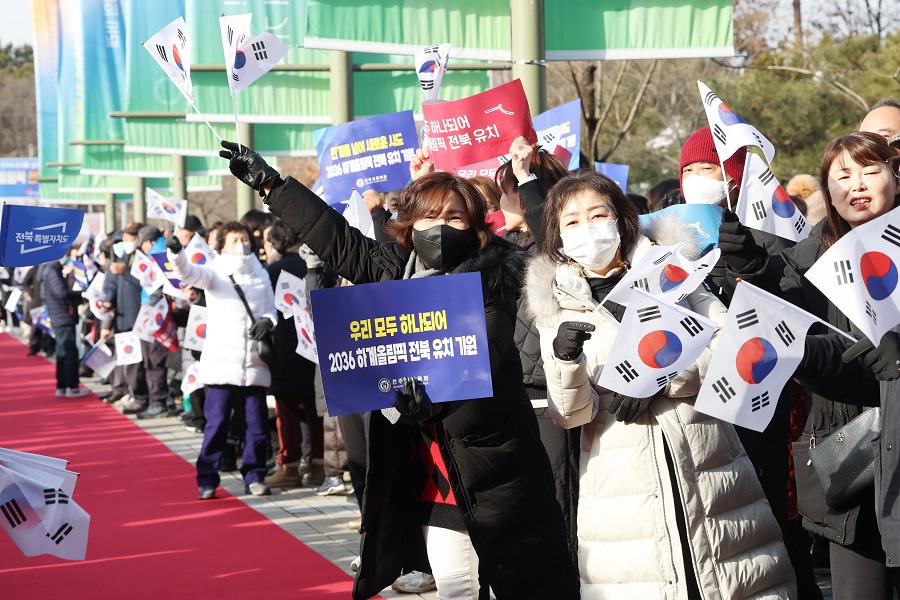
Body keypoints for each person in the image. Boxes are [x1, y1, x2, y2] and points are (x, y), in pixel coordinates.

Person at [218, 139, 580, 600]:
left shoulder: (498, 274)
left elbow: (481, 352)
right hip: (426, 466)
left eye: (455, 218)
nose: (441, 227)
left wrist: (436, 392)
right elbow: (335, 237)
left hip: (492, 462)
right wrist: (273, 184)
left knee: (521, 583)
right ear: (410, 226)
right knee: (454, 585)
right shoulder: (391, 268)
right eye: (430, 217)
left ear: (474, 226)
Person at [524, 169, 796, 598]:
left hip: (712, 475)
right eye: (572, 221)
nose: (588, 229)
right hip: (622, 497)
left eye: (598, 214)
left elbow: (733, 351)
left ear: (621, 219)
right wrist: (565, 359)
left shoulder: (673, 274)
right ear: (556, 235)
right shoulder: (554, 304)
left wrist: (661, 376)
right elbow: (570, 413)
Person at [785, 131, 900, 599]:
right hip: (848, 471)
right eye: (842, 175)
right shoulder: (814, 255)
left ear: (896, 177)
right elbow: (829, 357)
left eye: (871, 171)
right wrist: (752, 270)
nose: (858, 184)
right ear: (826, 191)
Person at [165, 221, 277, 500]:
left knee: (257, 424)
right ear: (223, 245)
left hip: (254, 362)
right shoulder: (215, 271)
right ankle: (207, 478)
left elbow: (270, 309)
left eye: (244, 239)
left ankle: (254, 475)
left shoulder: (260, 272)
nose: (242, 244)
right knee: (216, 423)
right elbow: (188, 273)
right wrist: (176, 253)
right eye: (235, 240)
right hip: (221, 360)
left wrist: (267, 321)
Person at [261, 221, 321, 489]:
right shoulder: (315, 264)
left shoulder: (273, 270)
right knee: (315, 411)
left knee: (286, 411)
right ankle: (320, 465)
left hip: (285, 348)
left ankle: (290, 466)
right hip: (314, 347)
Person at [42, 254, 89, 398]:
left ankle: (63, 385)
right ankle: (71, 386)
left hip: (60, 316)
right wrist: (81, 294)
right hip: (62, 316)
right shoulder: (52, 270)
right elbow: (61, 293)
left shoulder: (52, 270)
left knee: (63, 352)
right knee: (69, 353)